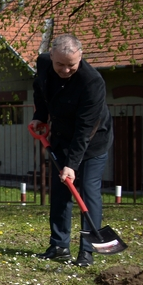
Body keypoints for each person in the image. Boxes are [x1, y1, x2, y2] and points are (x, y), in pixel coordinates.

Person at [30, 34, 113, 267]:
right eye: (60, 64)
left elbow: (86, 128)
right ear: (52, 56)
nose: (65, 70)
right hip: (61, 137)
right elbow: (40, 89)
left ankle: (86, 251)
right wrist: (40, 117)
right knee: (60, 193)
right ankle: (59, 245)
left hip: (93, 142)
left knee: (88, 191)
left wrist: (72, 165)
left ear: (81, 57)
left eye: (71, 65)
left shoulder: (92, 82)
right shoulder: (44, 63)